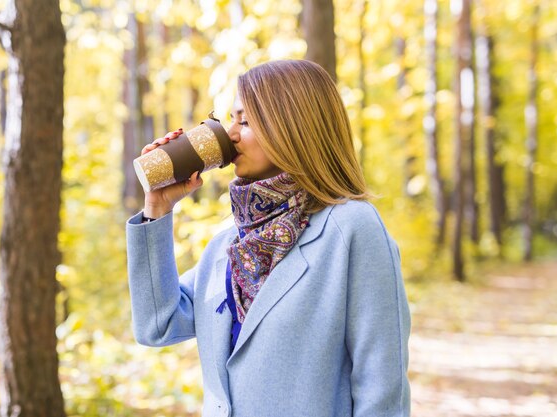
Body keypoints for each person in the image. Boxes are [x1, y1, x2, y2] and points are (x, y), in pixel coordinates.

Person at [126, 59, 411, 417]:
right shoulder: (228, 247)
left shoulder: (350, 229)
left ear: (293, 125)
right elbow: (158, 326)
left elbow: (382, 391)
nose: (230, 134)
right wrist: (158, 207)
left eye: (245, 121)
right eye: (231, 118)